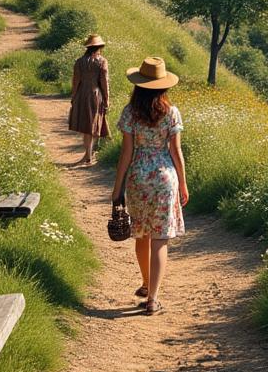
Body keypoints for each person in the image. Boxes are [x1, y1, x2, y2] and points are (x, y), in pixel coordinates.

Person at [112, 57, 188, 315]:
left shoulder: (129, 113)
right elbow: (176, 152)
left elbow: (126, 153)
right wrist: (184, 185)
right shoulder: (172, 112)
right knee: (160, 239)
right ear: (163, 86)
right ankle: (153, 299)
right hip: (165, 178)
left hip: (138, 178)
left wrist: (117, 189)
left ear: (139, 85)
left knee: (141, 234)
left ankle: (145, 283)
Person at [67, 34, 110, 165]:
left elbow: (76, 81)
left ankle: (88, 154)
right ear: (99, 47)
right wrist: (107, 99)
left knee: (86, 126)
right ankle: (89, 155)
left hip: (82, 94)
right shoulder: (102, 61)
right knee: (94, 125)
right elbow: (104, 82)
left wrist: (74, 96)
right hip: (95, 95)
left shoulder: (79, 61)